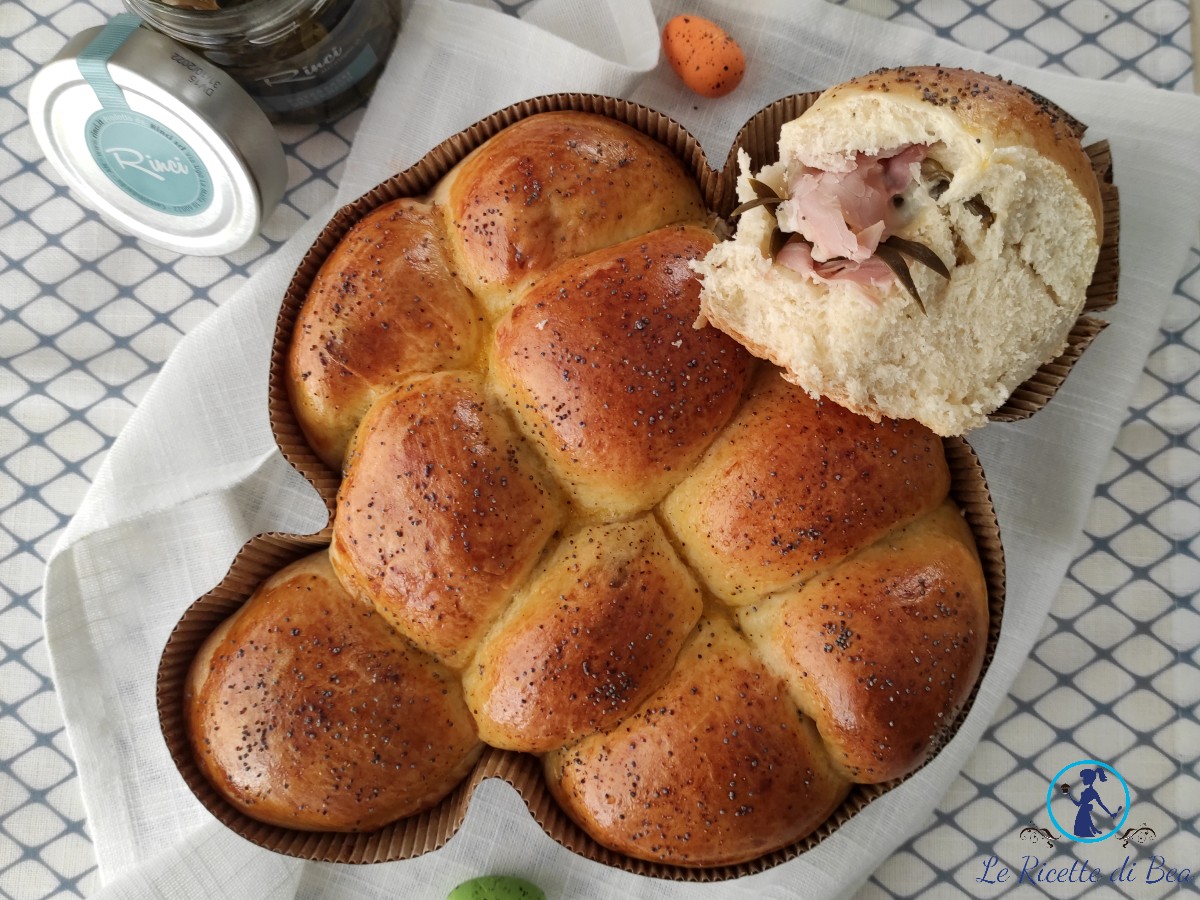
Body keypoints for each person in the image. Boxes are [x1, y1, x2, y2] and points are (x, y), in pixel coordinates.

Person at [1068, 767, 1119, 838]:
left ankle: (1094, 831)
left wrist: (1069, 795)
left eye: (1084, 778)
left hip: (1083, 812)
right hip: (1083, 812)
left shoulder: (1091, 792)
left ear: (1089, 779)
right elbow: (1101, 804)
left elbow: (1079, 804)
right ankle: (1095, 831)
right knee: (1084, 831)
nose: (1083, 780)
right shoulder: (1090, 791)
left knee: (1083, 832)